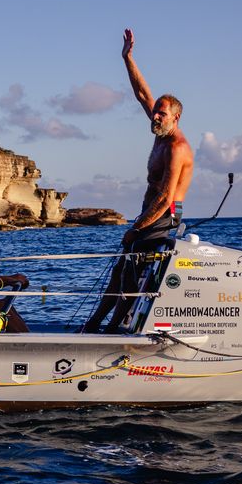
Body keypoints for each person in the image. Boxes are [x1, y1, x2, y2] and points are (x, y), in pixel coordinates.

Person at [83, 29, 194, 333]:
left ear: (175, 118)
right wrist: (127, 58)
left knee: (130, 278)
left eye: (162, 114)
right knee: (119, 272)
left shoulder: (176, 148)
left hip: (162, 217)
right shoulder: (160, 132)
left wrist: (135, 228)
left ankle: (111, 331)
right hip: (148, 214)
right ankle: (93, 326)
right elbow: (143, 94)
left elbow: (165, 197)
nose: (155, 116)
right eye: (156, 112)